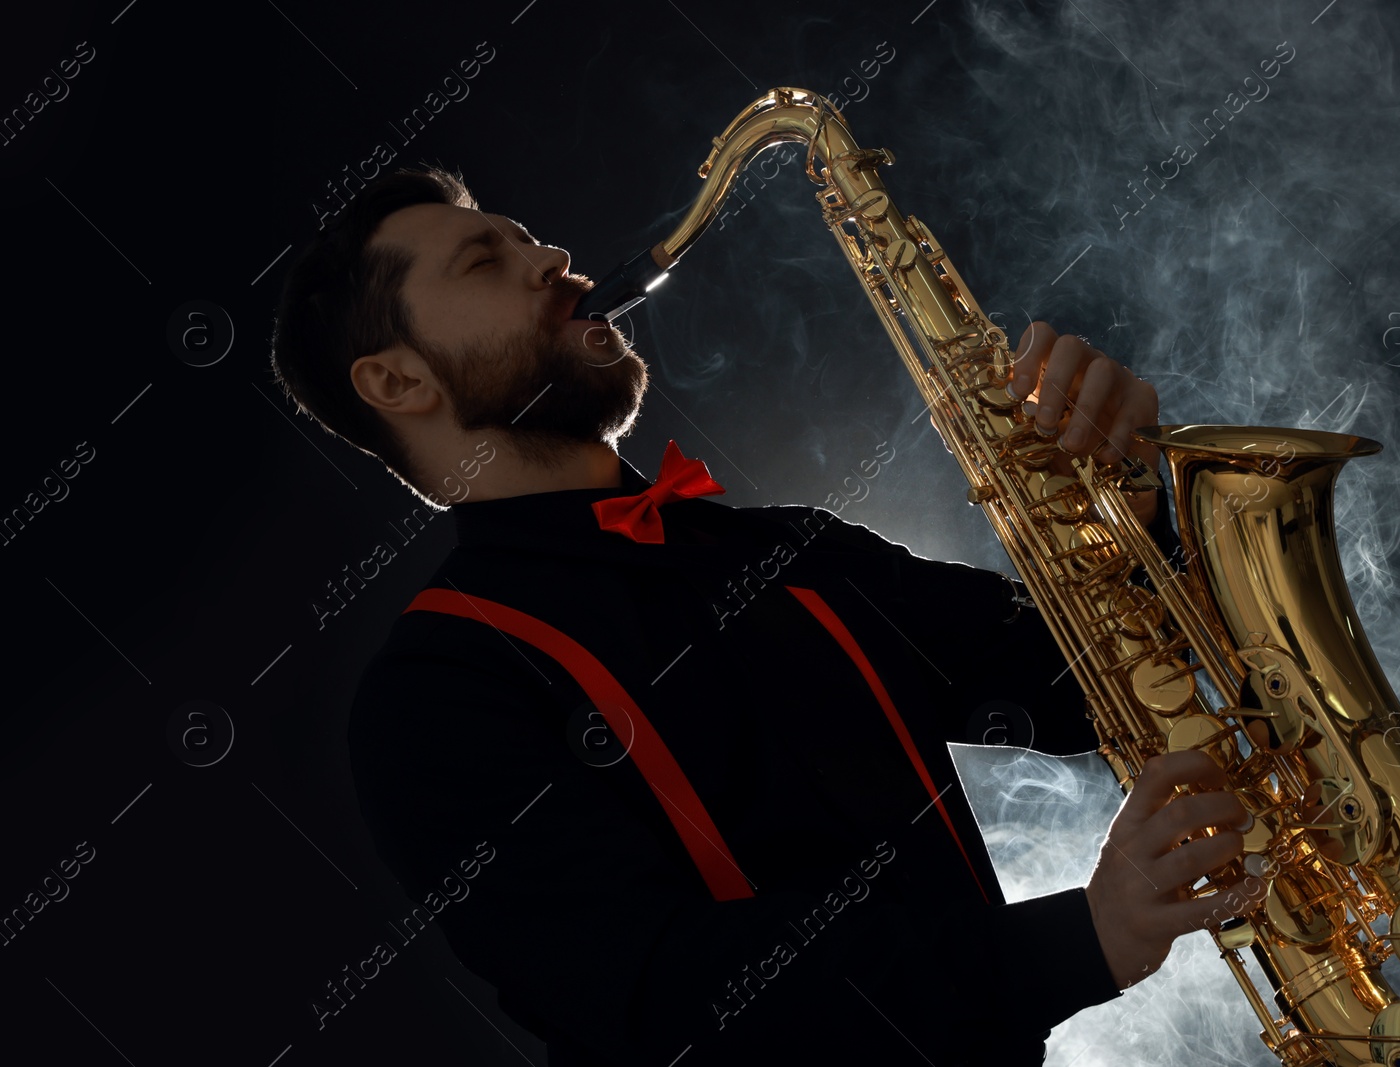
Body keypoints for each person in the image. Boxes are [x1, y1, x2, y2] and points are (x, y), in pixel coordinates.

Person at [269, 166, 1258, 1066]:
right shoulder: (433, 692)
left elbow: (1090, 683)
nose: (550, 258)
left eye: (527, 235)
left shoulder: (784, 548)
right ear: (397, 380)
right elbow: (667, 1001)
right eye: (486, 259)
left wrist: (1121, 508)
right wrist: (1076, 938)